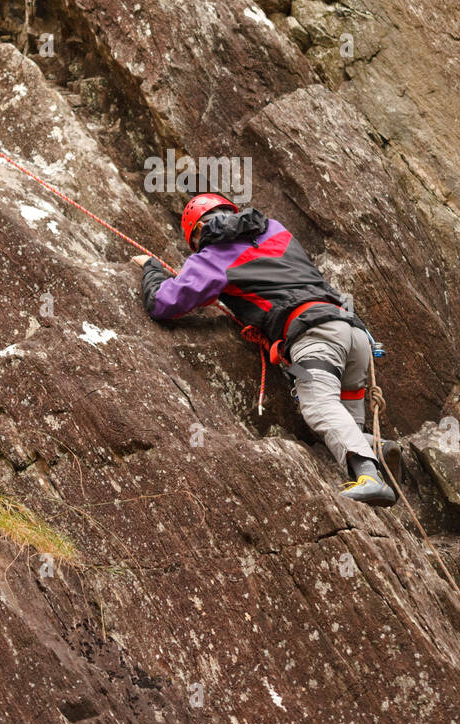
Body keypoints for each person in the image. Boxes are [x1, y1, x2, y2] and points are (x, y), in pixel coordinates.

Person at [132, 193, 397, 506]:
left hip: (313, 336)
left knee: (319, 405)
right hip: (351, 332)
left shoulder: (212, 257)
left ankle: (368, 474)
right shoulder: (274, 229)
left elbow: (164, 303)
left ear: (198, 232)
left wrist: (151, 269)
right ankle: (375, 448)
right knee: (344, 413)